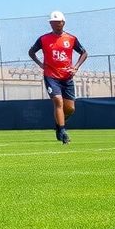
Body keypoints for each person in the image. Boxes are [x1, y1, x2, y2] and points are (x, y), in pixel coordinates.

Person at [29, 11, 88, 144]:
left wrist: (76, 67)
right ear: (50, 23)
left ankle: (58, 124)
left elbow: (84, 53)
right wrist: (40, 64)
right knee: (58, 101)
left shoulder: (71, 39)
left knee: (70, 109)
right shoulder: (43, 39)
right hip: (51, 76)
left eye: (58, 22)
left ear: (63, 23)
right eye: (53, 22)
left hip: (67, 77)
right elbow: (31, 52)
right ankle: (62, 131)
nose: (55, 24)